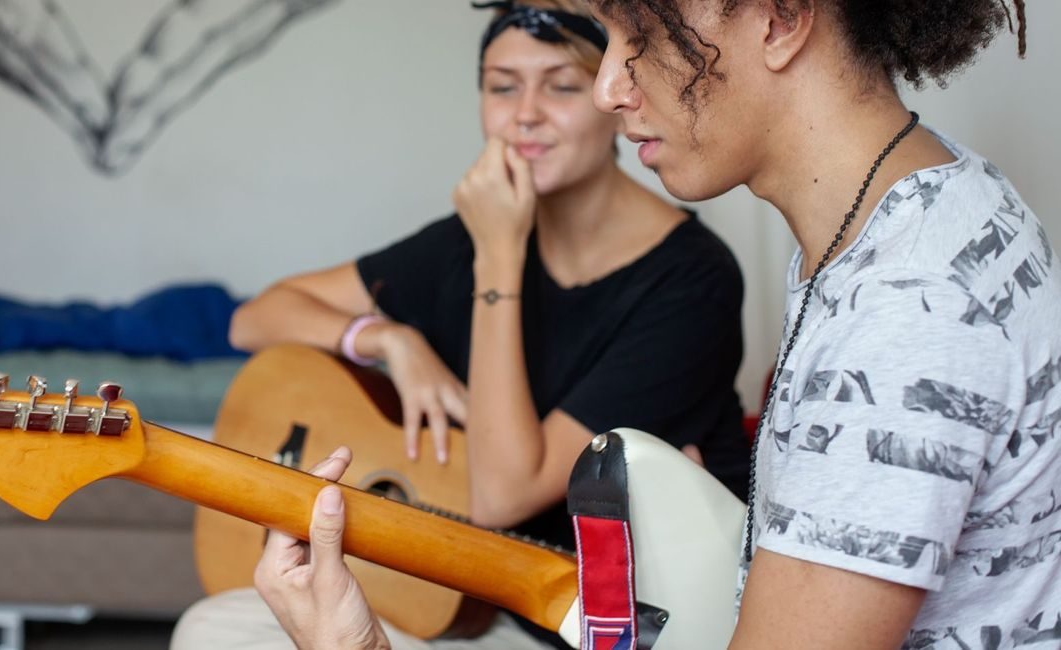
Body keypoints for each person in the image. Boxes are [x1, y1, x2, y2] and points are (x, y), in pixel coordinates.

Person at [250, 1, 1058, 649]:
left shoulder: (907, 311)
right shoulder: (905, 216)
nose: (608, 87)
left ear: (778, 20)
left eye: (636, 31)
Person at [170, 1, 751, 648]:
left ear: (616, 97)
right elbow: (256, 320)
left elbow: (503, 496)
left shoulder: (692, 280)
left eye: (561, 85)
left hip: (594, 623)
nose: (525, 113)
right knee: (213, 625)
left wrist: (500, 253)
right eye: (503, 87)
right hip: (469, 592)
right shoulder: (460, 243)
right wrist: (387, 338)